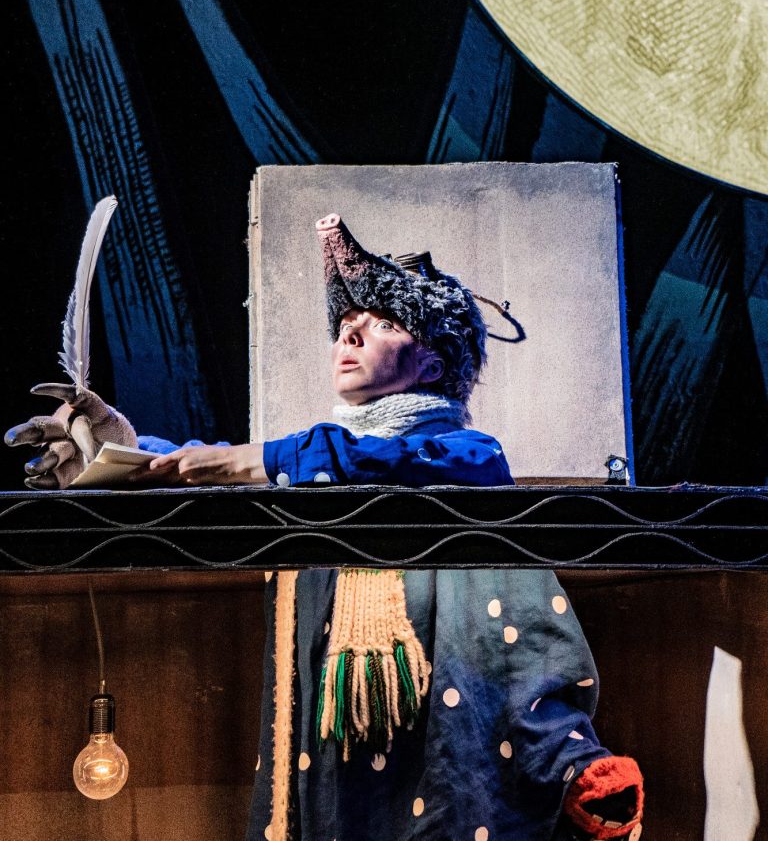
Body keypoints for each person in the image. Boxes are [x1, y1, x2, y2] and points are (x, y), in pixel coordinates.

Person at [6, 213, 644, 841]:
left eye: (383, 323)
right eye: (344, 326)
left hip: (445, 765)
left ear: (432, 365)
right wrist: (120, 451)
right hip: (334, 770)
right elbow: (223, 472)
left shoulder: (461, 457)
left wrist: (249, 461)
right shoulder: (309, 476)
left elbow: (389, 463)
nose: (350, 336)